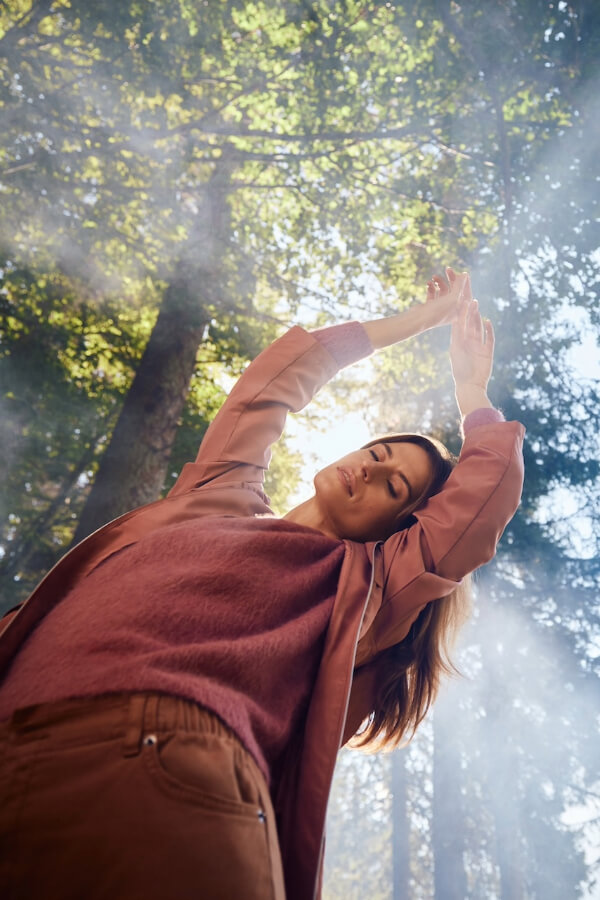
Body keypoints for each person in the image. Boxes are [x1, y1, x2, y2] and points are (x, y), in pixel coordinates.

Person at [0, 269, 524, 900]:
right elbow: (280, 377)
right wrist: (419, 319)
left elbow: (481, 501)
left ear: (398, 528)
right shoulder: (217, 498)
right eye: (379, 451)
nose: (371, 466)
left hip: (171, 767)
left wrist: (471, 389)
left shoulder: (365, 585)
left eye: (393, 486)